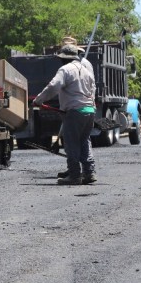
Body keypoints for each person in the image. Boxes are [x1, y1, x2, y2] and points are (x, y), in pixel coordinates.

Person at [33, 42, 98, 185]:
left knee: (71, 143)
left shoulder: (65, 69)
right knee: (84, 142)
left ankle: (74, 175)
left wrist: (38, 100)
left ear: (64, 58)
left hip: (75, 112)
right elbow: (92, 90)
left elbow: (53, 86)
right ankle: (89, 172)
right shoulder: (86, 70)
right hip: (89, 110)